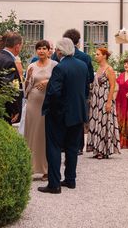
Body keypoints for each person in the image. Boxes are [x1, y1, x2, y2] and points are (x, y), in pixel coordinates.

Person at [39, 38, 90, 194]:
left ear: (59, 51)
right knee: (72, 148)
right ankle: (70, 179)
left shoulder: (60, 68)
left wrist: (49, 109)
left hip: (60, 115)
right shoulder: (82, 66)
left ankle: (54, 184)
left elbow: (54, 92)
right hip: (78, 113)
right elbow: (86, 89)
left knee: (54, 147)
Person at [51, 28, 95, 155]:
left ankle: (63, 146)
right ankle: (78, 147)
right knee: (77, 123)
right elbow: (90, 78)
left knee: (62, 123)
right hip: (80, 96)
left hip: (62, 96)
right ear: (77, 41)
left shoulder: (56, 56)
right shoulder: (85, 58)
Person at [24, 40, 57, 179]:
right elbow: (26, 89)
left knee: (45, 135)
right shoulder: (31, 66)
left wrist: (47, 82)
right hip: (33, 103)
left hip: (48, 103)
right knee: (31, 133)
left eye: (44, 48)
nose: (41, 51)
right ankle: (29, 167)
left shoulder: (54, 65)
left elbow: (59, 82)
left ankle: (46, 169)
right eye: (39, 49)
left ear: (49, 50)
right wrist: (28, 78)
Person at [86, 48, 120, 159]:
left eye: (98, 54)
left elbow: (112, 86)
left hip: (105, 98)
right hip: (96, 99)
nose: (95, 56)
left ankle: (103, 149)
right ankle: (96, 148)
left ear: (104, 56)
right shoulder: (99, 68)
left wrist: (109, 102)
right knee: (96, 122)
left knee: (104, 122)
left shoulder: (109, 69)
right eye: (95, 54)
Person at [0, 32, 24, 124]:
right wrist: (15, 109)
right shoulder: (9, 61)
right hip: (4, 108)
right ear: (17, 46)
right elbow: (8, 88)